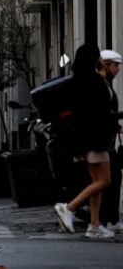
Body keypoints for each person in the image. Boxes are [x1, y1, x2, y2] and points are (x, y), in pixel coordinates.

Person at [54, 44, 116, 239]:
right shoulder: (96, 82)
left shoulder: (75, 82)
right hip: (95, 139)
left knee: (96, 182)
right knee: (105, 181)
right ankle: (69, 207)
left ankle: (95, 225)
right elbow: (101, 113)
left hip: (81, 139)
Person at [98, 50, 123, 233]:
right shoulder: (102, 86)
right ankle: (104, 220)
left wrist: (116, 127)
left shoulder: (107, 85)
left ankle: (109, 219)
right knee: (108, 181)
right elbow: (103, 114)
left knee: (112, 179)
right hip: (102, 143)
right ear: (106, 65)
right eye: (115, 66)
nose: (118, 70)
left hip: (107, 141)